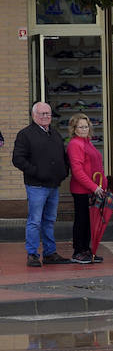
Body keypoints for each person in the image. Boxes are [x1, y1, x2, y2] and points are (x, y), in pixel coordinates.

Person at [11, 101, 70, 267]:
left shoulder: (55, 134)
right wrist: (36, 172)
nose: (45, 117)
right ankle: (32, 254)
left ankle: (50, 253)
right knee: (35, 221)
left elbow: (63, 157)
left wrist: (64, 172)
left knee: (49, 220)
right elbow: (18, 159)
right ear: (34, 115)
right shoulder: (25, 134)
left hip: (53, 186)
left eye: (48, 114)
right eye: (42, 114)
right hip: (36, 186)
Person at [65, 113, 107, 264]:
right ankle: (78, 251)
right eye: (80, 127)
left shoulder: (88, 142)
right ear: (74, 129)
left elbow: (97, 166)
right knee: (82, 220)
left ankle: (86, 250)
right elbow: (77, 171)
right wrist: (94, 187)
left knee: (89, 222)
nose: (84, 129)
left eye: (86, 126)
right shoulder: (75, 144)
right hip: (82, 190)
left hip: (93, 189)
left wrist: (103, 185)